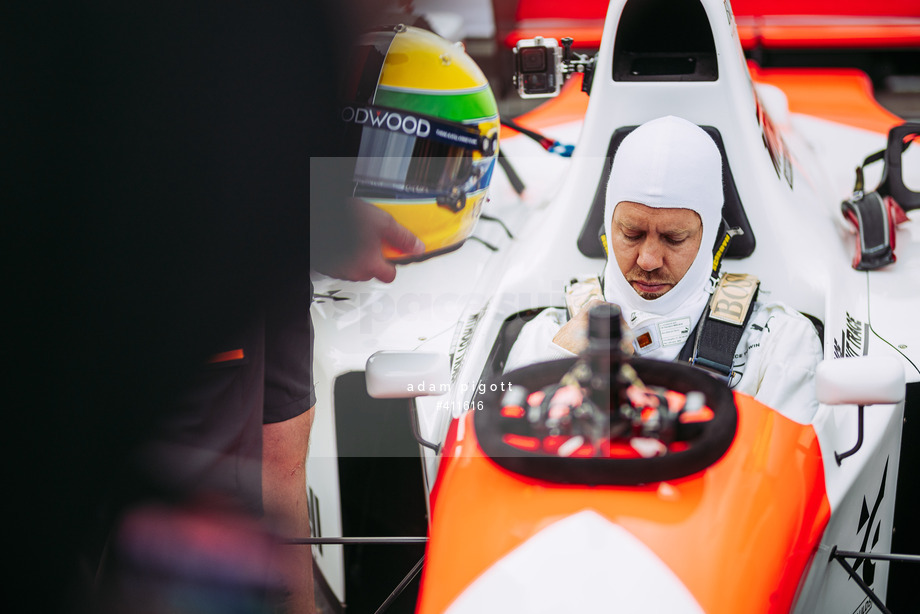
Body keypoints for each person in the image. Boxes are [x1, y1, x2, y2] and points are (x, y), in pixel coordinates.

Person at [505, 115, 823, 422]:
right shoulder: (546, 338)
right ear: (607, 224)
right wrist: (560, 368)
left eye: (673, 238)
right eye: (632, 234)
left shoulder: (778, 345)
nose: (648, 260)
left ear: (711, 235)